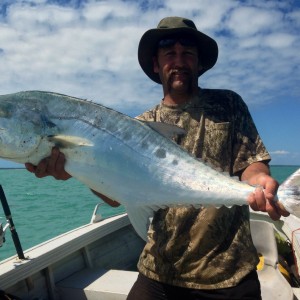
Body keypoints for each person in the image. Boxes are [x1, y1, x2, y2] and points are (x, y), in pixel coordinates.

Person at [26, 17, 289, 300]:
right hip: (160, 271)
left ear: (199, 63)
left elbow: (250, 162)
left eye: (187, 53)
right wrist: (74, 168)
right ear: (156, 64)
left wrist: (259, 180)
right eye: (169, 54)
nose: (179, 61)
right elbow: (116, 196)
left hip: (228, 273)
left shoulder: (227, 105)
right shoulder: (137, 127)